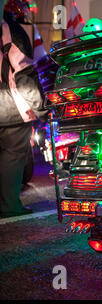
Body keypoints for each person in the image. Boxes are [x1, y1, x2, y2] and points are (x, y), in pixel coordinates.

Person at [0, 0, 45, 215]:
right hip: (11, 108)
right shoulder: (11, 32)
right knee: (13, 156)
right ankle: (9, 205)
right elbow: (23, 76)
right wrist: (41, 109)